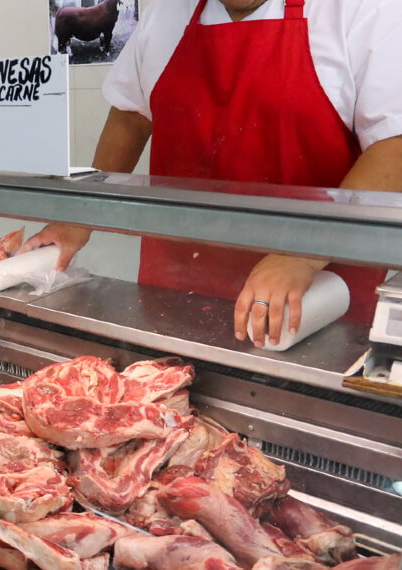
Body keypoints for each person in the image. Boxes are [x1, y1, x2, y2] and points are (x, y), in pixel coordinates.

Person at [22, 0, 402, 348]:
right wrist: (82, 213)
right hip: (175, 294)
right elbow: (130, 118)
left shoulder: (362, 10)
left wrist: (302, 253)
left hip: (314, 309)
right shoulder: (167, 12)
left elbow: (393, 147)